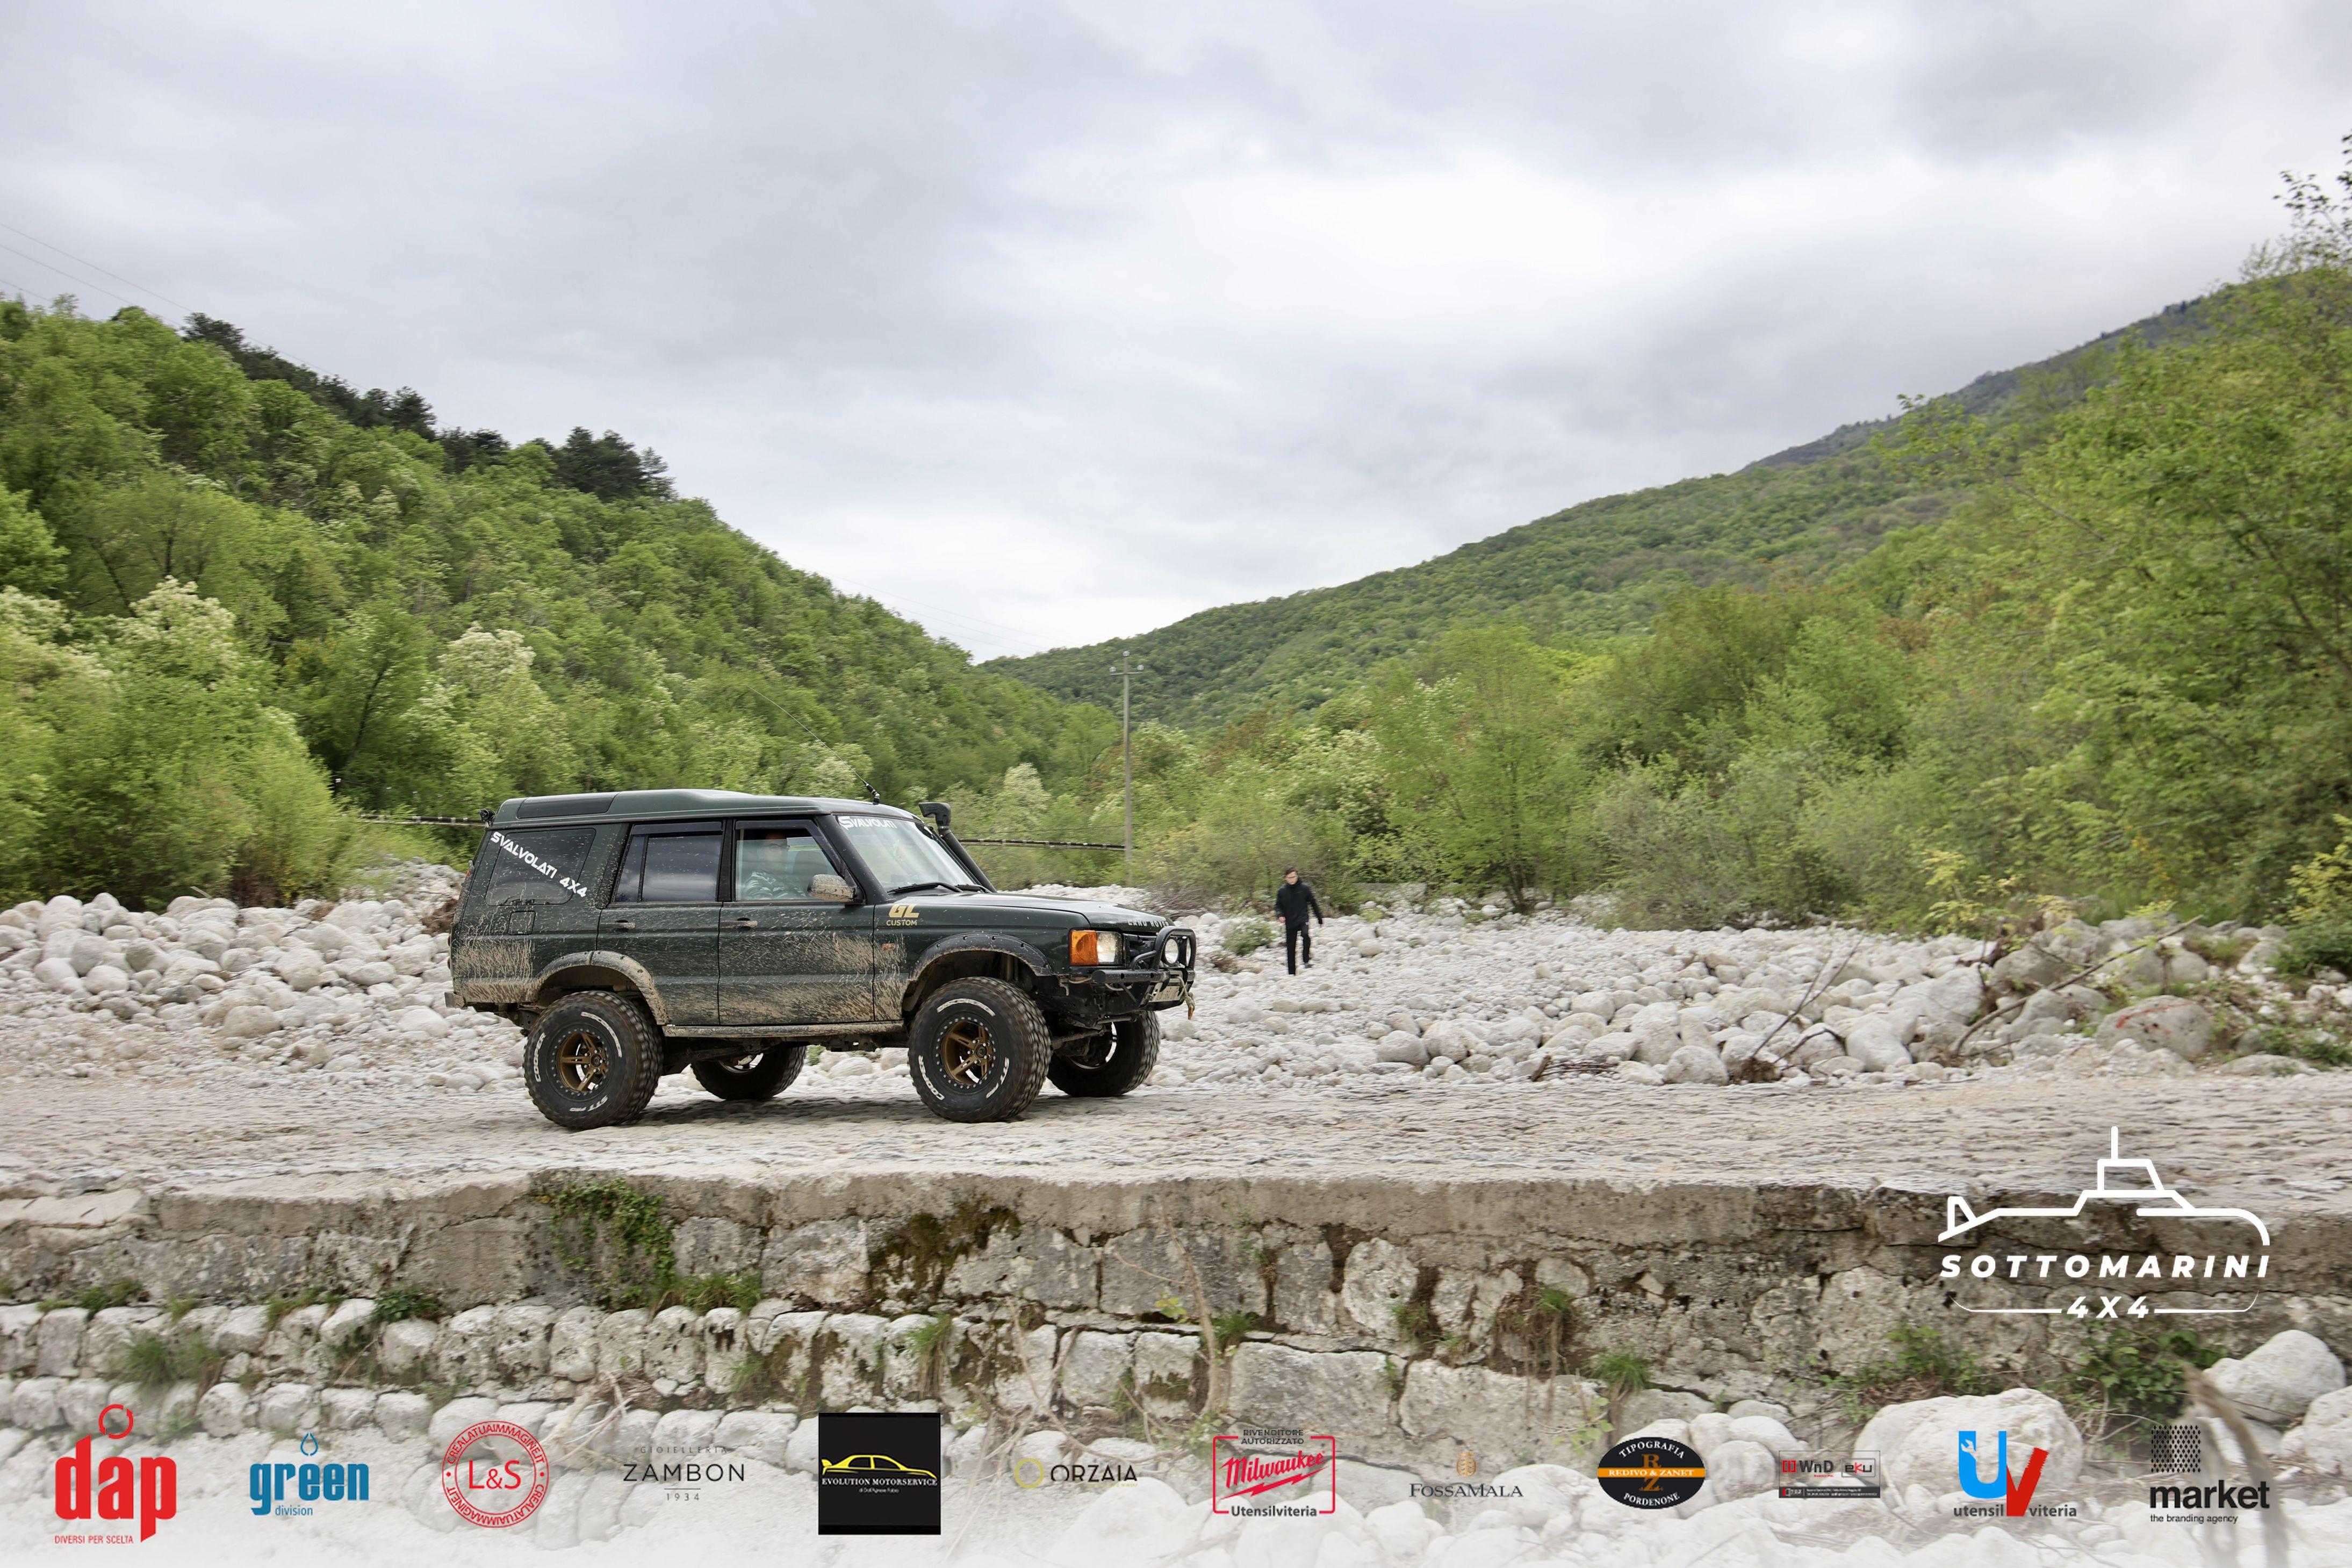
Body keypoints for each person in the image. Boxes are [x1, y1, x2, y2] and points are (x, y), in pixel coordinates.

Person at [1274, 867, 1324, 975]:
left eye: (1294, 877)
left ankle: (1306, 960)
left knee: (1305, 935)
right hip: (1290, 921)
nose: (1292, 879)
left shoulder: (1305, 888)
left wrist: (1319, 918)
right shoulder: (1282, 891)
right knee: (1291, 947)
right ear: (1286, 878)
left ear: (1297, 876)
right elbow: (1278, 906)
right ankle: (1292, 973)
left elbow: (1313, 903)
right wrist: (1280, 915)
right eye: (1290, 878)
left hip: (1303, 918)